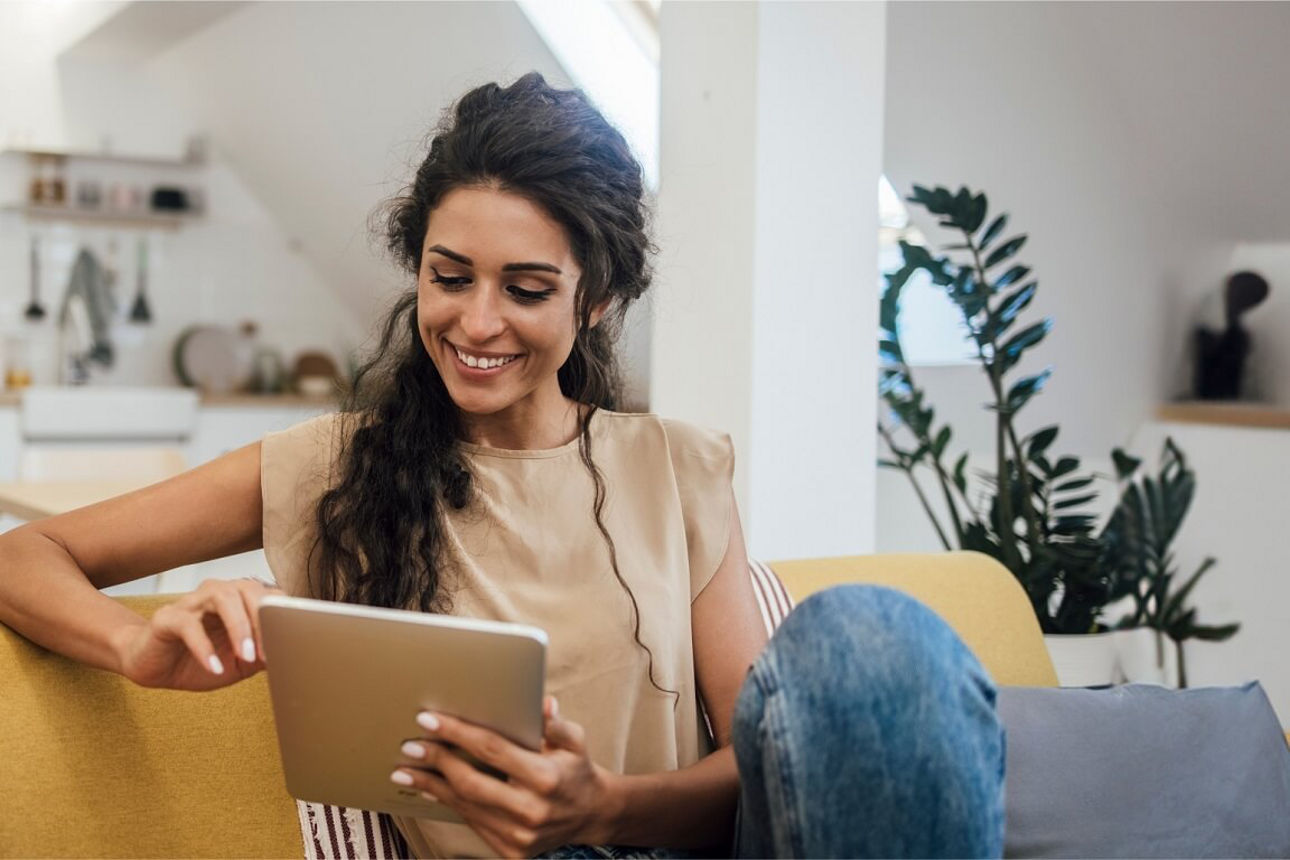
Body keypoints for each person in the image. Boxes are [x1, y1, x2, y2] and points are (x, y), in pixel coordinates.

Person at [0, 74, 1004, 859]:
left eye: (526, 288)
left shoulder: (675, 467)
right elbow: (25, 553)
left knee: (868, 634)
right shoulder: (329, 468)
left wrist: (604, 808)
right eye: (450, 278)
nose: (477, 323)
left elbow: (763, 771)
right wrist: (134, 651)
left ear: (596, 298)